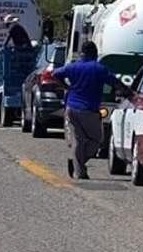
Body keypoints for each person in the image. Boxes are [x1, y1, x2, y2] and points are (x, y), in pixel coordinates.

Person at [52, 40, 127, 180]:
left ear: (82, 53)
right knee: (96, 140)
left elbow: (55, 74)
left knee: (78, 140)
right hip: (89, 110)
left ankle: (77, 165)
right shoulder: (99, 68)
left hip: (71, 108)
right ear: (95, 53)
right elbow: (115, 83)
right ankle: (79, 167)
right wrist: (129, 93)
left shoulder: (73, 67)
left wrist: (66, 87)